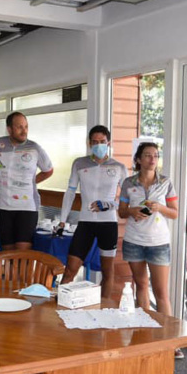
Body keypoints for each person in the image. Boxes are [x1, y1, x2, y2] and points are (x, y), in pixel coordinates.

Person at [118, 142, 180, 356]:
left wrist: (160, 207)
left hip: (158, 243)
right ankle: (144, 336)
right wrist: (132, 210)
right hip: (134, 241)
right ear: (138, 159)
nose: (152, 159)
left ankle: (170, 342)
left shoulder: (166, 182)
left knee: (161, 292)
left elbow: (175, 213)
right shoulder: (128, 183)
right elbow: (122, 211)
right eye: (147, 155)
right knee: (141, 285)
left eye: (155, 155)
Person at [58, 126, 127, 297]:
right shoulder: (79, 163)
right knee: (70, 269)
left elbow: (127, 199)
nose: (98, 145)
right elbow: (70, 192)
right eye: (95, 142)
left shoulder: (119, 167)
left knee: (107, 272)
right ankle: (60, 304)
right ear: (89, 143)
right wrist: (62, 220)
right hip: (85, 223)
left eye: (102, 141)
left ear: (108, 142)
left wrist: (109, 204)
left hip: (108, 223)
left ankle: (104, 309)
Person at [0, 112, 53, 250]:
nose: (24, 131)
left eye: (26, 127)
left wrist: (32, 181)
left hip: (27, 207)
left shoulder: (34, 148)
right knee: (8, 253)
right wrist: (0, 172)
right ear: (9, 129)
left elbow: (48, 170)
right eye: (19, 127)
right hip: (3, 207)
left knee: (22, 253)